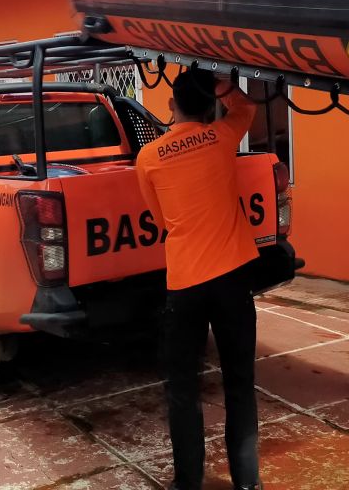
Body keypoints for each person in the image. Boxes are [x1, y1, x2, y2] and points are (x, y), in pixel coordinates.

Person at [136, 69, 262, 490]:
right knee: (240, 382)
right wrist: (221, 83)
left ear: (172, 106)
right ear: (210, 108)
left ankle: (187, 483)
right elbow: (247, 107)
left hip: (185, 283)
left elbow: (160, 220)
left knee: (183, 389)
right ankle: (248, 482)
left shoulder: (150, 157)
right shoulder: (222, 137)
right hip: (232, 280)